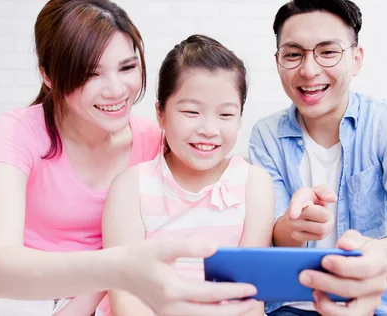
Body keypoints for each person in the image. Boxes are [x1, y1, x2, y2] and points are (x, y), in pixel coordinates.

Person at [0, 1, 259, 315]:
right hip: (21, 297)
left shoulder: (156, 141)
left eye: (127, 67)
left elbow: (222, 189)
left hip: (111, 297)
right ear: (49, 75)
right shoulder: (19, 132)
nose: (116, 90)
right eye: (90, 73)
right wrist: (118, 266)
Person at [248, 0, 387, 315]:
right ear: (278, 60)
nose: (309, 70)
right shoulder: (265, 135)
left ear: (356, 58)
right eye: (293, 54)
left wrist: (373, 258)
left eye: (328, 52)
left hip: (382, 305)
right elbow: (271, 240)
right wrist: (293, 228)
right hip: (291, 307)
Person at [99, 34, 274, 316]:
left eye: (226, 115)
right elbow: (126, 298)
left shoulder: (254, 184)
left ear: (240, 117)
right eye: (191, 111)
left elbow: (250, 296)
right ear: (161, 114)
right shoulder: (131, 187)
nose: (208, 129)